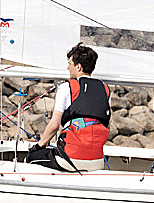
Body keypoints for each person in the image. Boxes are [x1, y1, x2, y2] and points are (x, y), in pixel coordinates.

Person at [26, 43, 111, 172]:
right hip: (97, 162)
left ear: (78, 66)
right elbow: (107, 125)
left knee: (31, 158)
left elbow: (54, 125)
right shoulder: (105, 89)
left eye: (70, 63)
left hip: (70, 159)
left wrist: (39, 146)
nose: (68, 67)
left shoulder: (66, 87)